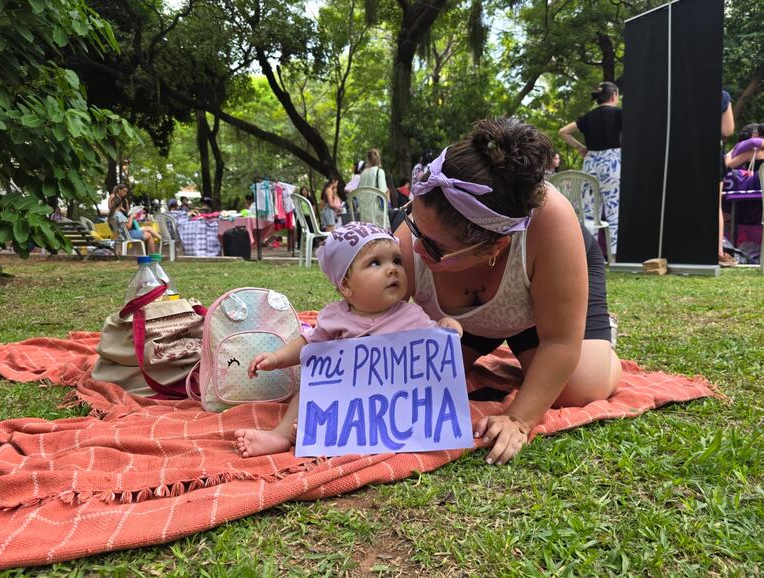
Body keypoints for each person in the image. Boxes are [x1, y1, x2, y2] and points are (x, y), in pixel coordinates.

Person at [396, 117, 621, 466]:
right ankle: (490, 337)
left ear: (494, 247)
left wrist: (519, 419)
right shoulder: (417, 236)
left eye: (434, 247)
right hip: (464, 320)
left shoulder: (553, 224)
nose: (415, 249)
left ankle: (593, 333)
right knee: (422, 378)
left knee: (579, 387)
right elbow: (374, 322)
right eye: (413, 224)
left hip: (541, 296)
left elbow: (560, 343)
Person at [235, 222, 463, 457]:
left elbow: (431, 346)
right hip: (347, 402)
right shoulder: (335, 318)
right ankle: (282, 435)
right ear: (346, 285)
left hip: (391, 402)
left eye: (396, 261)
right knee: (303, 397)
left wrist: (445, 328)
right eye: (376, 263)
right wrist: (277, 358)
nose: (392, 269)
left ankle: (324, 433)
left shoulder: (411, 316)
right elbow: (308, 344)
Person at [559, 81, 622, 261]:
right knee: (614, 209)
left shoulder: (588, 117)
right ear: (614, 95)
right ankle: (614, 256)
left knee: (590, 211)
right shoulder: (619, 113)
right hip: (612, 163)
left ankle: (590, 256)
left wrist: (580, 147)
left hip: (591, 163)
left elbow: (563, 131)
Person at [107, 184, 161, 254]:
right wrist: (132, 217)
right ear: (120, 205)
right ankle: (154, 254)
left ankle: (158, 242)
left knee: (148, 230)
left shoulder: (111, 216)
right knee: (149, 234)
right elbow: (129, 227)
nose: (125, 194)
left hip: (121, 235)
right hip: (127, 235)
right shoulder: (119, 215)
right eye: (124, 191)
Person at [719, 90, 737, 267]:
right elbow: (728, 129)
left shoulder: (675, 89)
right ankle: (717, 251)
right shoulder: (721, 95)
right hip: (710, 150)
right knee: (714, 205)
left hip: (677, 151)